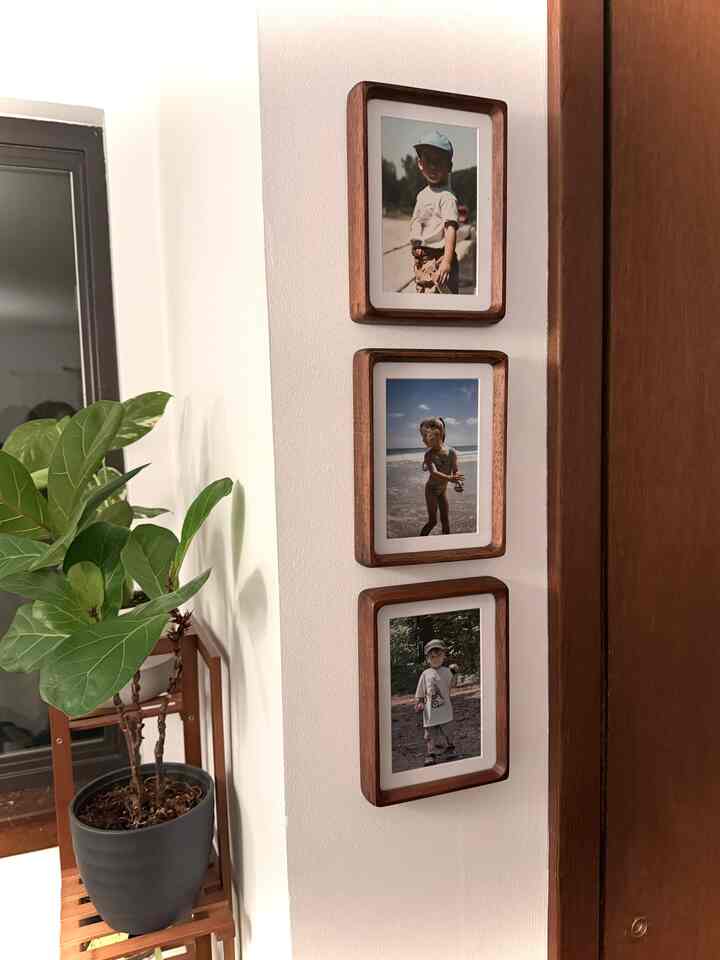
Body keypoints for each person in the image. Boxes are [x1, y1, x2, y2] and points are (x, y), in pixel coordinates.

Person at [409, 130, 459, 294]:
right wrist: (416, 240)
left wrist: (447, 261)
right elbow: (417, 220)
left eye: (439, 161)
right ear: (420, 163)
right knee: (422, 295)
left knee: (441, 300)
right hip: (422, 258)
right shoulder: (422, 195)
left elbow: (450, 229)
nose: (433, 166)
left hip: (440, 256)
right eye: (428, 160)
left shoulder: (447, 197)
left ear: (449, 166)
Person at [414, 640, 460, 765]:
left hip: (445, 709)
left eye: (439, 655)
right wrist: (419, 702)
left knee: (448, 731)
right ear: (427, 659)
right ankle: (431, 754)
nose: (435, 659)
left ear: (444, 656)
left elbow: (453, 685)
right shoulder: (425, 674)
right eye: (432, 656)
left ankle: (450, 749)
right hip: (430, 712)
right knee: (429, 735)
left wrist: (455, 674)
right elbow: (421, 690)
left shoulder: (447, 671)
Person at [419, 416, 464, 536]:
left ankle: (448, 545)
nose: (423, 440)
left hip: (442, 491)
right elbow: (433, 472)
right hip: (431, 490)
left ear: (438, 435)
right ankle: (419, 543)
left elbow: (455, 471)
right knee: (433, 521)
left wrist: (459, 482)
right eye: (422, 437)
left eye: (426, 437)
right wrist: (450, 479)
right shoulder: (428, 455)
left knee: (445, 521)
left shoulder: (451, 452)